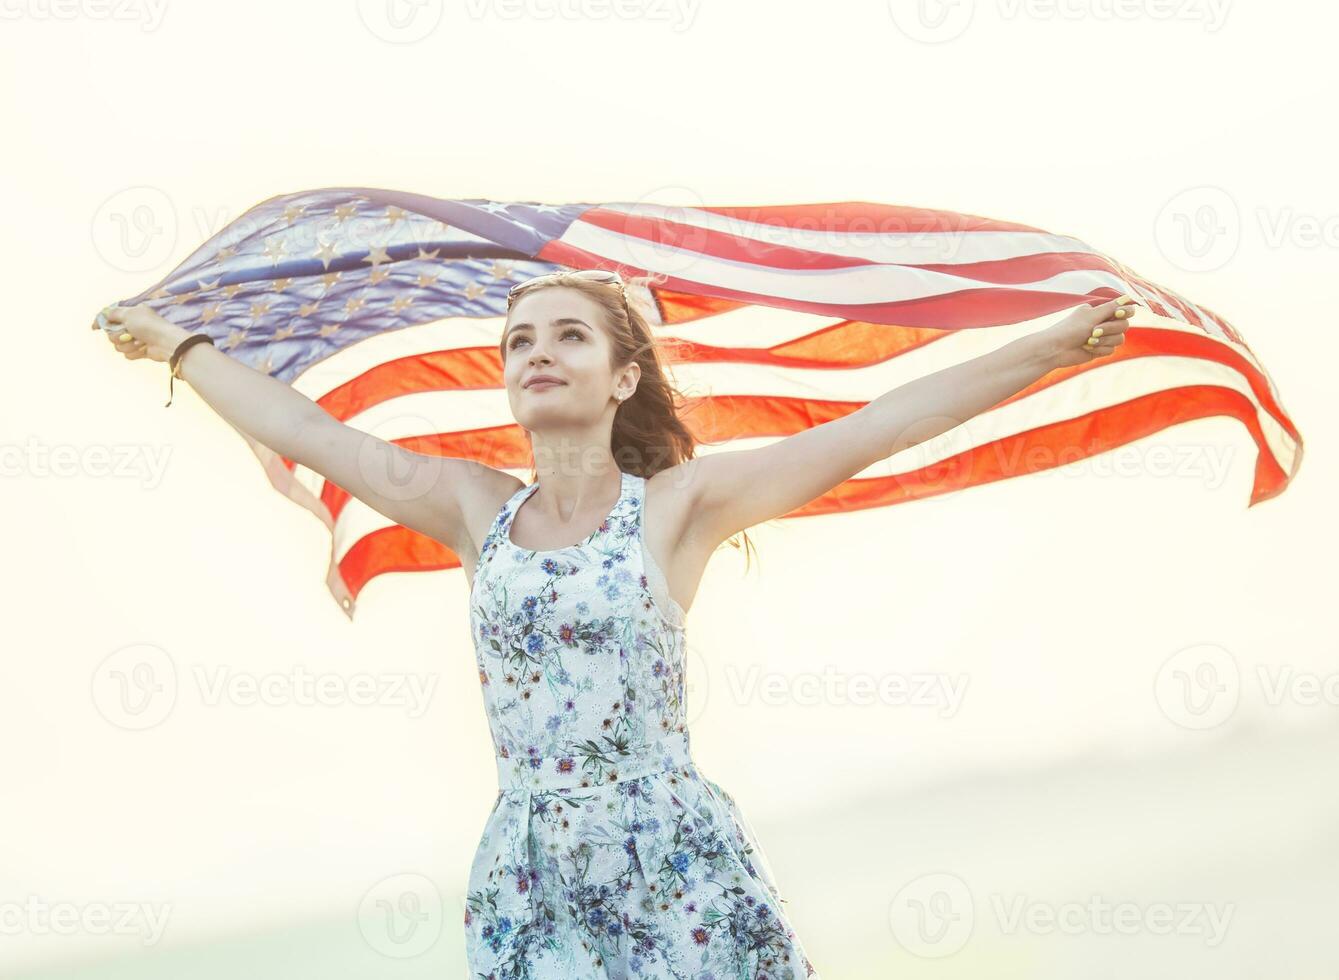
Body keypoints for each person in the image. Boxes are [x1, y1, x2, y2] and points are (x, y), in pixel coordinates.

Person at [96, 270, 1134, 977]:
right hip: (531, 861)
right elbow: (307, 431)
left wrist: (1048, 346)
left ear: (621, 376)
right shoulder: (471, 505)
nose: (537, 352)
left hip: (670, 852)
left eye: (568, 335)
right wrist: (175, 346)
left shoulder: (679, 505)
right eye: (518, 341)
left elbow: (880, 425)